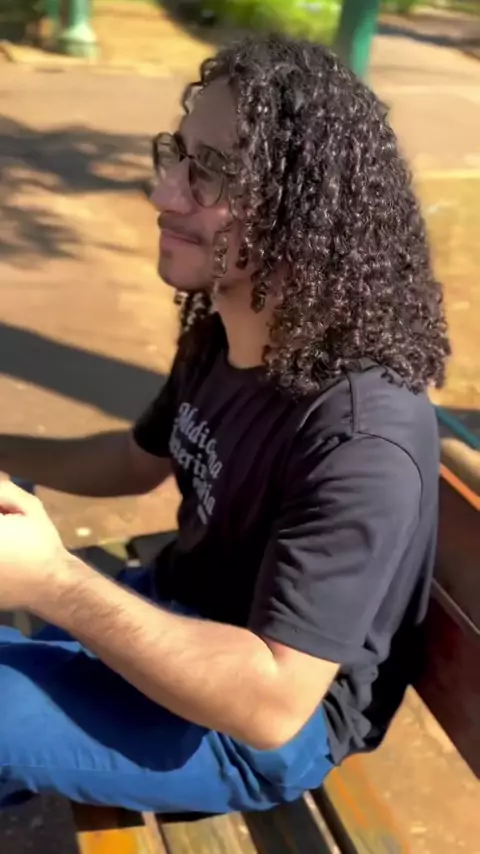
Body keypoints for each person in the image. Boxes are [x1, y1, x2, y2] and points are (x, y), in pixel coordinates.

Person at [0, 34, 450, 814]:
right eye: (178, 156)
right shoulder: (227, 329)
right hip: (176, 609)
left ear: (306, 210)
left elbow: (272, 703)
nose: (163, 194)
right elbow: (136, 460)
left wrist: (56, 582)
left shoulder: (362, 438)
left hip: (260, 721)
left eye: (211, 171)